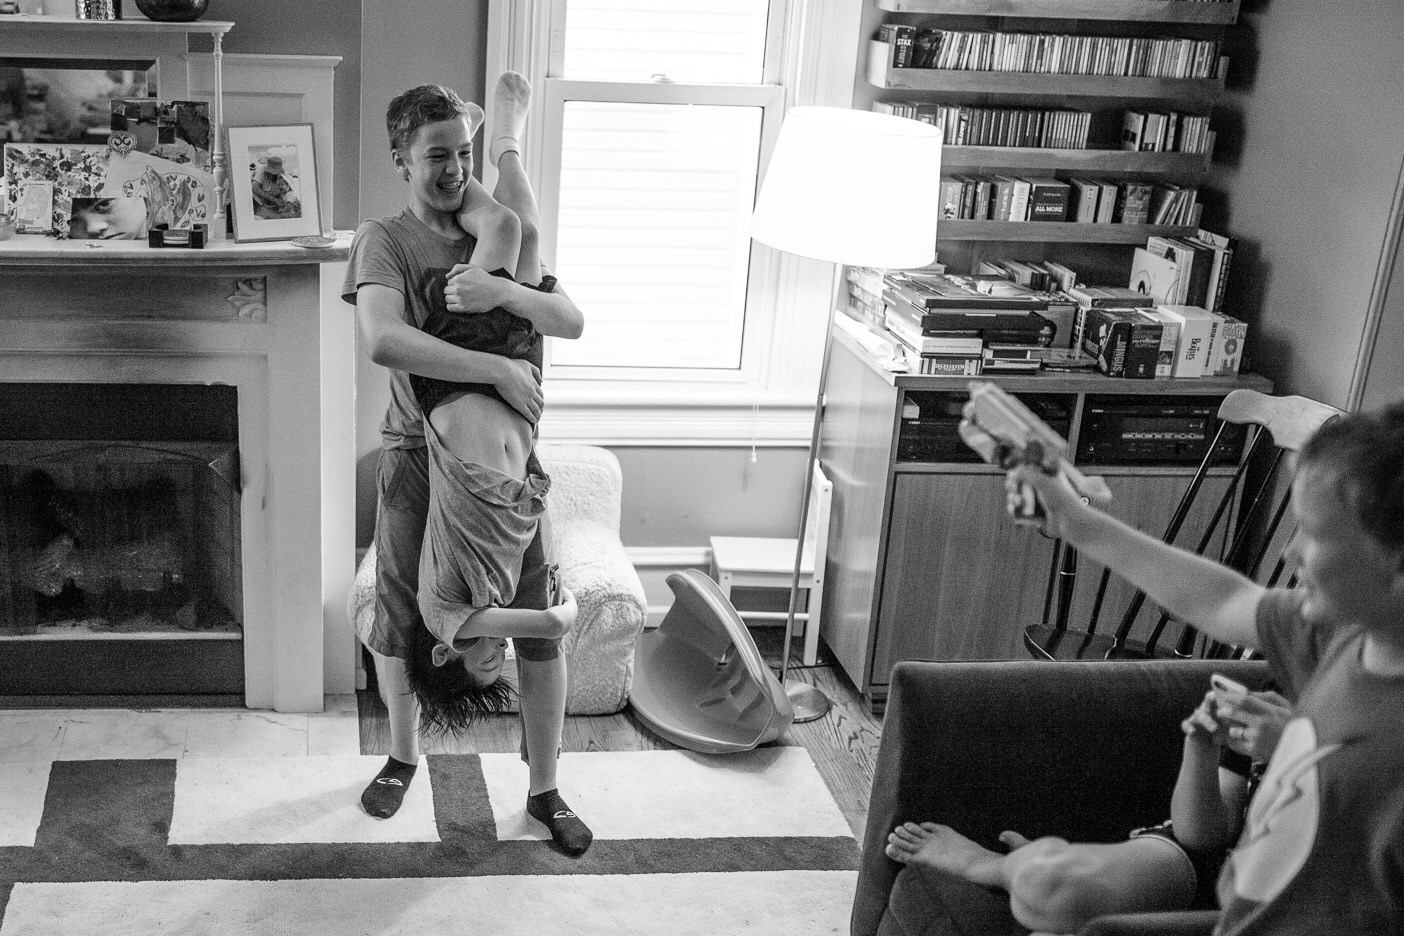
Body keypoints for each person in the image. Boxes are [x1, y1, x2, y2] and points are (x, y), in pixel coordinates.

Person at [996, 402, 1404, 933]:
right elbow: (1223, 600)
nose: (1288, 552)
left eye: (1313, 533)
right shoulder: (1344, 636)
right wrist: (1077, 522)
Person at [342, 73, 592, 857]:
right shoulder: (384, 240)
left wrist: (503, 296)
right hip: (416, 454)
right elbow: (384, 339)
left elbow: (567, 319)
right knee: (400, 618)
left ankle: (545, 787)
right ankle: (401, 754)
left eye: (463, 153)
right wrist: (497, 370)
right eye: (436, 156)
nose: (453, 169)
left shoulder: (496, 232)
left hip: (505, 459)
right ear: (400, 160)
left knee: (536, 619)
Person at [886, 684, 1291, 934]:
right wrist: (1201, 745)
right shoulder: (1289, 688)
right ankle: (998, 866)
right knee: (1047, 882)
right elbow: (1202, 834)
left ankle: (997, 868)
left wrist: (1299, 746)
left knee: (1046, 916)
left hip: (1279, 885)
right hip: (1207, 858)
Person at [250, 155, 299, 219]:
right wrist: (273, 199)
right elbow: (255, 188)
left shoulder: (283, 175)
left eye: (274, 172)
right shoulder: (262, 170)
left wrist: (280, 201)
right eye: (270, 171)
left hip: (271, 201)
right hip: (259, 200)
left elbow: (286, 190)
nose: (272, 174)